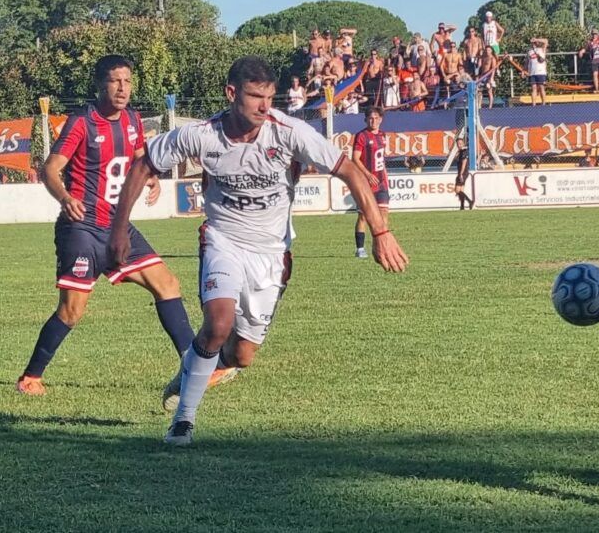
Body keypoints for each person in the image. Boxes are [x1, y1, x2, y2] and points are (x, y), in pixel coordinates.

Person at [110, 57, 408, 446]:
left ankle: (191, 371)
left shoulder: (288, 132)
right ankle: (183, 422)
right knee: (218, 325)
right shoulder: (201, 135)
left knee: (242, 355)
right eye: (255, 97)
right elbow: (143, 166)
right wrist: (119, 228)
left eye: (269, 97)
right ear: (231, 94)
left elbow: (349, 171)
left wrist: (381, 231)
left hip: (272, 254)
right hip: (223, 240)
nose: (264, 106)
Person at [15, 55, 205, 397]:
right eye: (115, 81)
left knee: (167, 284)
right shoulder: (82, 123)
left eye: (127, 81)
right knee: (71, 311)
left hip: (118, 228)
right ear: (100, 85)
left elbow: (138, 159)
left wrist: (151, 177)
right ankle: (31, 377)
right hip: (82, 230)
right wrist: (65, 198)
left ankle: (196, 367)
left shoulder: (132, 120)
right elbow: (50, 169)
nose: (122, 88)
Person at [349, 107, 393, 259]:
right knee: (364, 216)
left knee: (383, 214)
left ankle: (380, 246)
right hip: (365, 182)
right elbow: (355, 158)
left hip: (381, 183)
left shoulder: (383, 135)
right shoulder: (361, 136)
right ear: (365, 119)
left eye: (376, 118)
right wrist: (367, 175)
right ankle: (360, 248)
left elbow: (381, 160)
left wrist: (385, 178)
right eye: (370, 118)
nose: (373, 121)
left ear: (381, 119)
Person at [452, 138, 474, 210]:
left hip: (463, 172)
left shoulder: (464, 151)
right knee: (461, 190)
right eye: (458, 144)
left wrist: (461, 174)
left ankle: (470, 201)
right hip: (462, 172)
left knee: (457, 190)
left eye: (460, 143)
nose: (459, 145)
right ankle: (462, 206)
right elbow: (455, 159)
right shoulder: (460, 151)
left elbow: (464, 163)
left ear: (463, 143)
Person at [527, 37, 548, 106]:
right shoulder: (530, 52)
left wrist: (536, 39)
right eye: (533, 43)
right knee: (533, 88)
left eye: (535, 42)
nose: (534, 43)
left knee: (541, 87)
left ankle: (543, 103)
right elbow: (527, 62)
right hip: (532, 72)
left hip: (540, 72)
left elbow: (546, 41)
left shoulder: (541, 49)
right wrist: (525, 70)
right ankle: (533, 104)